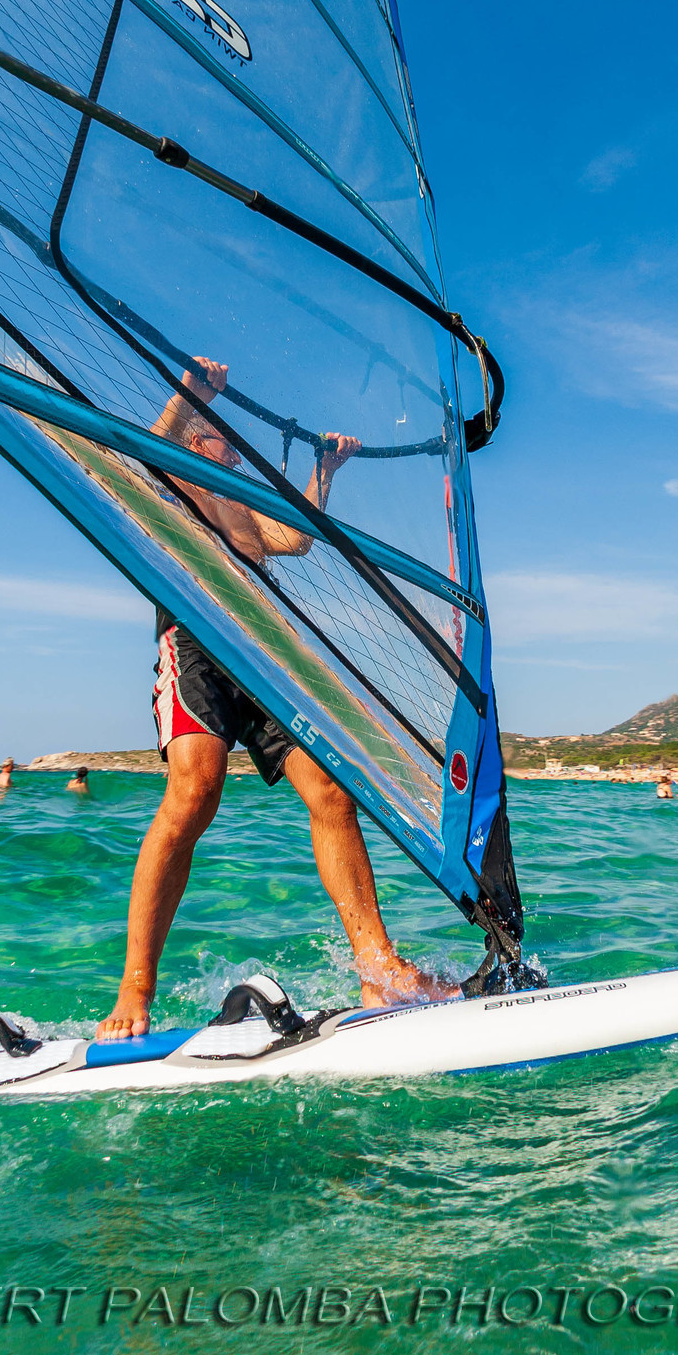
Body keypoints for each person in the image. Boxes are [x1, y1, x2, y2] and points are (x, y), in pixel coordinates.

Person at [95, 356, 453, 1040]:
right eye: (219, 436)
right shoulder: (174, 479)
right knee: (195, 790)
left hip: (261, 650)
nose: (233, 447)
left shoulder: (237, 498)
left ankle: (377, 967)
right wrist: (188, 394)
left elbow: (293, 538)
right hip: (195, 643)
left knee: (331, 789)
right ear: (196, 437)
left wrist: (325, 471)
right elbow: (148, 449)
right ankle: (135, 987)